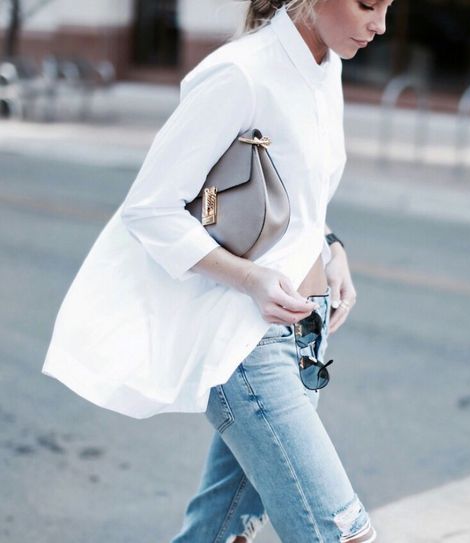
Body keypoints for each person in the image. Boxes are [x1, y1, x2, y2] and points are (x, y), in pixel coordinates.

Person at [42, 0, 393, 541]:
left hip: (306, 332)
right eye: (367, 4)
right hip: (248, 341)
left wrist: (331, 249)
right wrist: (250, 278)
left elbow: (296, 196)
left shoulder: (327, 67)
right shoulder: (240, 73)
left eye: (389, 7)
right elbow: (151, 208)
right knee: (342, 533)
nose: (380, 25)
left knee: (220, 531)